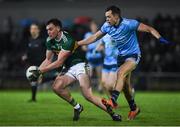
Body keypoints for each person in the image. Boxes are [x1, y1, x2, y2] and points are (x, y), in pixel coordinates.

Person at [77, 5, 170, 120]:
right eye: (106, 17)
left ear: (116, 16)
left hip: (133, 55)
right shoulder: (107, 26)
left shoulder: (129, 24)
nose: (107, 19)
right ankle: (134, 108)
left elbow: (149, 29)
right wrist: (78, 43)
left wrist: (160, 38)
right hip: (120, 57)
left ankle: (113, 100)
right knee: (126, 87)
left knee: (120, 73)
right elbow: (94, 37)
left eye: (109, 17)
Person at [30, 18, 121, 121]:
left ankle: (113, 114)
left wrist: (41, 71)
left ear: (58, 28)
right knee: (56, 87)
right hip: (68, 68)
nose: (48, 32)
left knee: (87, 95)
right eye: (47, 30)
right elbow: (48, 59)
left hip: (80, 65)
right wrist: (37, 71)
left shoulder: (68, 40)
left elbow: (59, 62)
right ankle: (77, 107)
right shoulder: (49, 41)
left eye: (51, 29)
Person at [22, 23, 46, 102]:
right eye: (31, 28)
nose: (33, 30)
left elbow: (47, 53)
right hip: (31, 64)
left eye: (35, 28)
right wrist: (25, 55)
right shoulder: (29, 40)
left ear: (38, 30)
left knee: (36, 81)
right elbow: (27, 51)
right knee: (33, 82)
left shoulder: (42, 41)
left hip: (41, 64)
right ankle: (33, 98)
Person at [93, 34, 118, 98]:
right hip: (106, 62)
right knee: (104, 83)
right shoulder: (105, 36)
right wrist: (96, 50)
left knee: (110, 85)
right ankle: (111, 101)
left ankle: (126, 88)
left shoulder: (118, 34)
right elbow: (101, 44)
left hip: (115, 62)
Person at [82, 20, 103, 93]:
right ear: (90, 27)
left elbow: (103, 46)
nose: (94, 27)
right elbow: (84, 45)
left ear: (97, 27)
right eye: (92, 26)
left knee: (99, 75)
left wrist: (100, 49)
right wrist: (85, 48)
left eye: (95, 26)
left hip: (98, 59)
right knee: (89, 75)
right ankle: (88, 89)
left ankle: (100, 88)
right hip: (90, 59)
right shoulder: (88, 35)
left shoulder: (100, 35)